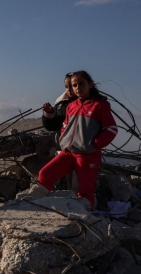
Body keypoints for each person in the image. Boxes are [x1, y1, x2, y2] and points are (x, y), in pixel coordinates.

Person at [38, 70, 118, 208]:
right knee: (44, 175)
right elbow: (64, 126)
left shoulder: (99, 106)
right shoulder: (71, 105)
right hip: (68, 152)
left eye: (81, 84)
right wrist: (64, 140)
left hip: (87, 155)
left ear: (90, 84)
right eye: (74, 85)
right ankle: (45, 206)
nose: (77, 88)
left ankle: (86, 221)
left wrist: (94, 144)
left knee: (85, 191)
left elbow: (111, 129)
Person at [41, 72, 78, 191]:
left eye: (73, 85)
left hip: (83, 149)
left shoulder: (90, 104)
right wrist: (50, 113)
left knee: (80, 182)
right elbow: (53, 126)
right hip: (64, 147)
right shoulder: (62, 104)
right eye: (67, 87)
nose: (70, 89)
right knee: (69, 180)